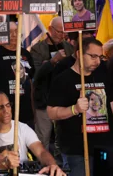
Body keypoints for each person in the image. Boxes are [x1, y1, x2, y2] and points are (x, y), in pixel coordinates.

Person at [47, 37, 111, 176]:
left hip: (104, 145)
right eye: (93, 56)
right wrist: (74, 109)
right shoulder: (63, 79)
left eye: (100, 57)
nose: (97, 61)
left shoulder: (103, 73)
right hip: (76, 149)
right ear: (78, 54)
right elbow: (51, 112)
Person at [0, 91, 66, 176]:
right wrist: (4, 164)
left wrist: (52, 165)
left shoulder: (22, 128)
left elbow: (41, 152)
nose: (6, 111)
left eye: (8, 105)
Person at [30, 17, 73, 150]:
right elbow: (35, 75)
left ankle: (62, 165)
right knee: (43, 137)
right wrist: (52, 61)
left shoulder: (69, 47)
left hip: (64, 100)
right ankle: (43, 165)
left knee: (64, 136)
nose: (62, 35)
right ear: (50, 29)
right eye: (60, 32)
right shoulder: (37, 49)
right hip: (44, 99)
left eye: (64, 32)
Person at [0, 19, 35, 127]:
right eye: (9, 32)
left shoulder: (26, 54)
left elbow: (30, 81)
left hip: (25, 113)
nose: (14, 35)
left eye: (16, 31)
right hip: (3, 112)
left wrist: (33, 110)